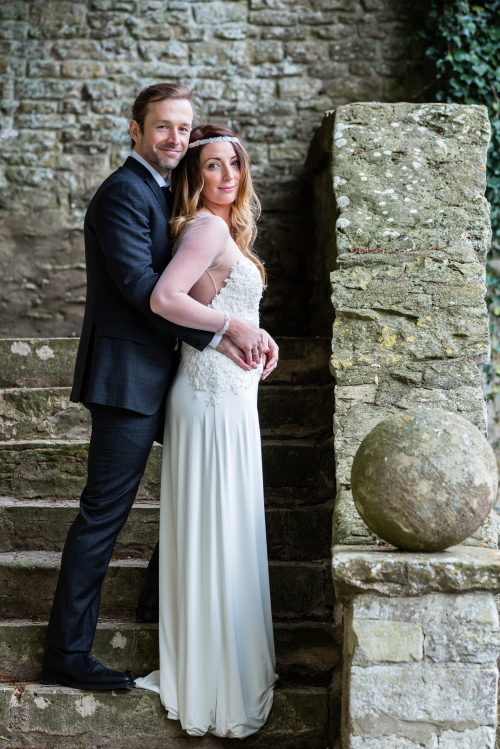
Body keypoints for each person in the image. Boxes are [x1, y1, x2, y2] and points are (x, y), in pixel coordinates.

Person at [41, 83, 278, 692]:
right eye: (163, 127)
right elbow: (142, 287)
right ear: (136, 130)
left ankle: (158, 598)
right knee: (103, 514)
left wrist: (231, 328)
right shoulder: (123, 193)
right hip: (126, 378)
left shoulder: (164, 192)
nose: (175, 138)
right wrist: (222, 332)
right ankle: (66, 652)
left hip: (171, 376)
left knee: (204, 482)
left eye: (183, 128)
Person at [134, 124, 277, 738]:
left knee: (230, 523)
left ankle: (225, 664)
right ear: (194, 174)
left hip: (231, 395)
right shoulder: (207, 228)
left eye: (235, 164)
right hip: (209, 396)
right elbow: (164, 298)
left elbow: (222, 305)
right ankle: (210, 675)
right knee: (215, 523)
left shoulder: (225, 231)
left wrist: (256, 335)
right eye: (214, 165)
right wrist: (231, 329)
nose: (227, 176)